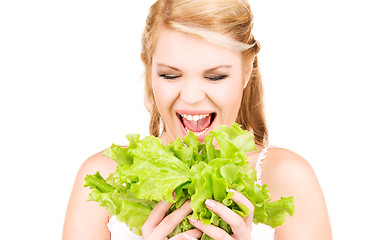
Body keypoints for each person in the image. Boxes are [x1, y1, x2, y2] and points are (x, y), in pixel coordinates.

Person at [62, 0, 332, 239]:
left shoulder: (287, 177)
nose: (191, 97)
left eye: (215, 77)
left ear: (247, 70)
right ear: (149, 69)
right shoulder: (105, 177)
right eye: (170, 75)